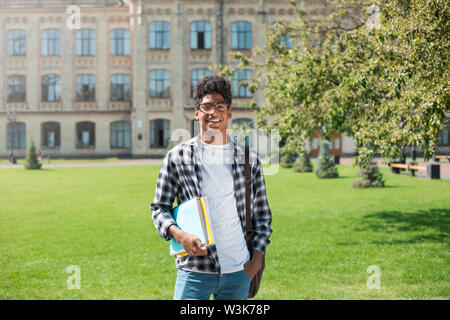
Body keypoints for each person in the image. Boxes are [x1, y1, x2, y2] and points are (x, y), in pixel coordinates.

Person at [150, 75, 272, 300]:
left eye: (219, 106)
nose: (213, 112)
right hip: (194, 270)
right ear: (197, 112)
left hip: (239, 270)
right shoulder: (177, 157)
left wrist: (256, 260)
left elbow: (262, 216)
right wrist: (179, 235)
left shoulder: (249, 159)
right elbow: (159, 208)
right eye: (206, 106)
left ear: (229, 112)